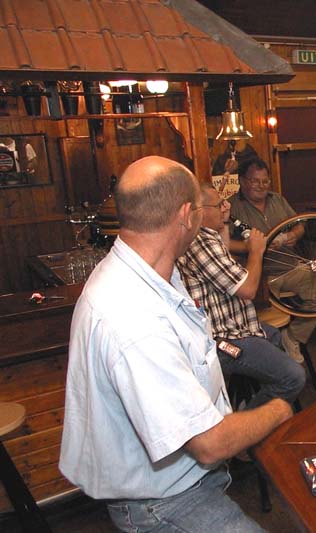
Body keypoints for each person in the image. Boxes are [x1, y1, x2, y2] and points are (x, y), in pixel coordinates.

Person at [60, 156, 292, 532]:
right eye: (202, 209)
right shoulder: (134, 317)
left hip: (182, 483)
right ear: (186, 215)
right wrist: (279, 410)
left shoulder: (149, 270)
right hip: (161, 502)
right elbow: (209, 444)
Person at [177, 183, 306, 402]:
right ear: (200, 211)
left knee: (273, 334)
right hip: (224, 338)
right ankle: (253, 423)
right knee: (293, 376)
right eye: (219, 205)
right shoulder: (201, 242)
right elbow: (247, 290)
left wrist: (224, 222)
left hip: (234, 325)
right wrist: (256, 251)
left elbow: (224, 254)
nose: (225, 206)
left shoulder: (206, 237)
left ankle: (249, 392)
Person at [229, 158, 316, 362]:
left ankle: (293, 336)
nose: (261, 186)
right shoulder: (232, 207)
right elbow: (225, 243)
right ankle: (272, 358)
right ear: (242, 181)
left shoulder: (277, 199)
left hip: (290, 267)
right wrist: (252, 247)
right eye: (254, 181)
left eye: (265, 181)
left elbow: (299, 225)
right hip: (261, 277)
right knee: (262, 316)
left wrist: (294, 234)